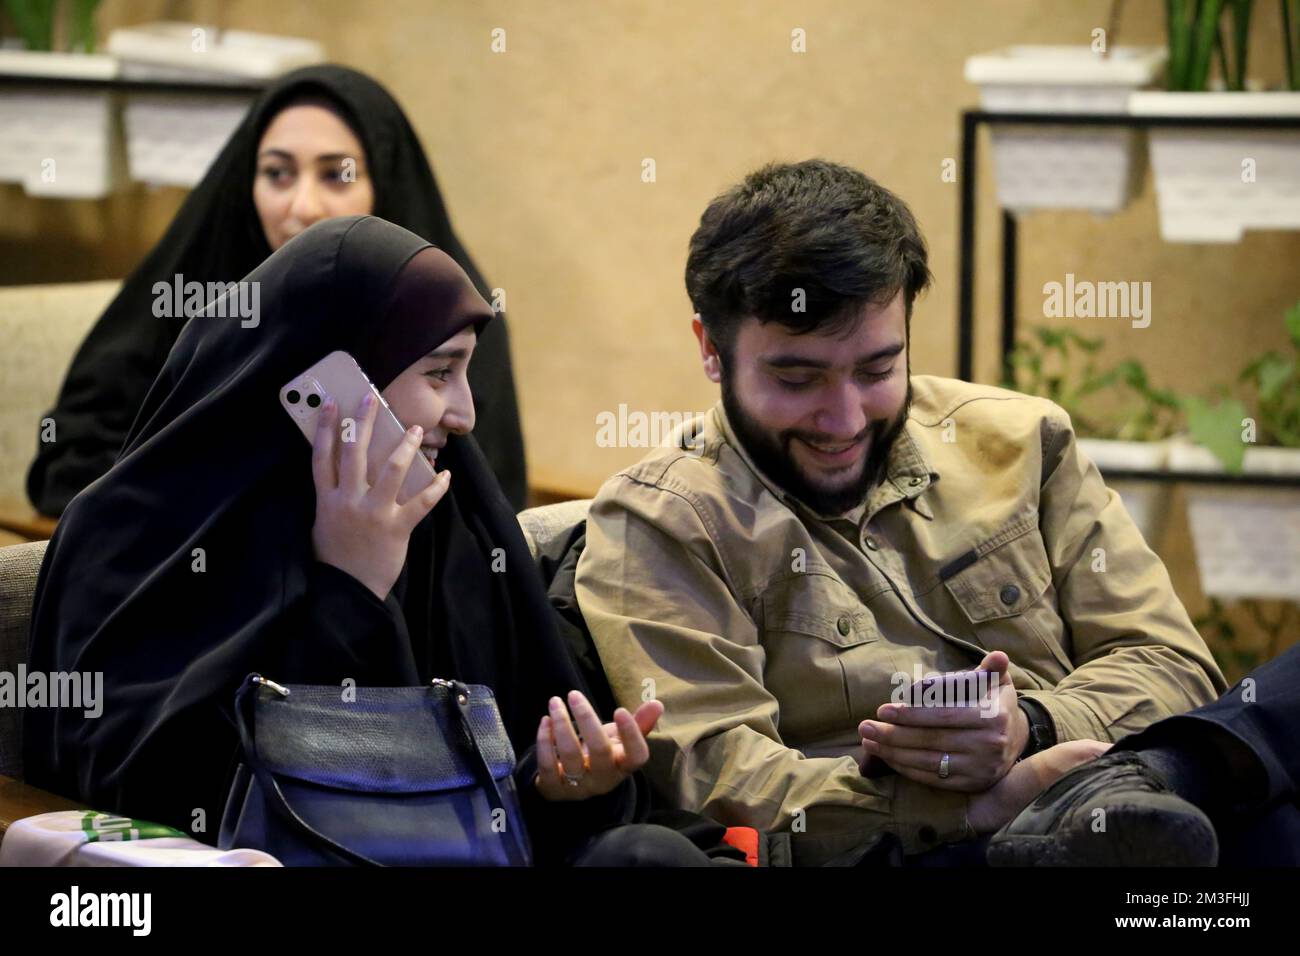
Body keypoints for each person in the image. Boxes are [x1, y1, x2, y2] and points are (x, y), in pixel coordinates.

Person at [572, 159, 1228, 866]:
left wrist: (1032, 728)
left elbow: (1177, 665)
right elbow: (718, 777)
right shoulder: (665, 525)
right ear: (711, 349)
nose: (844, 419)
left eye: (878, 370)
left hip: (1108, 794)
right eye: (797, 378)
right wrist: (975, 804)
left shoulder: (1023, 440)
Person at [21, 215, 718, 866]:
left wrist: (567, 786)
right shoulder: (139, 535)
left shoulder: (455, 525)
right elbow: (159, 804)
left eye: (467, 370)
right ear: (329, 378)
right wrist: (347, 591)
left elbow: (495, 806)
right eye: (439, 372)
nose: (467, 413)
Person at [26, 65, 527, 516]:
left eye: (336, 175)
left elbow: (480, 505)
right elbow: (73, 458)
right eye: (277, 174)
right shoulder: (199, 291)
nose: (302, 206)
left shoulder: (450, 324)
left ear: (386, 188)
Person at [990, 642, 1300, 866]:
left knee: (1266, 818)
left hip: (1120, 788)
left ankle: (1157, 770)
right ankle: (1162, 769)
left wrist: (1037, 724)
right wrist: (970, 808)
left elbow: (1175, 666)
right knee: (1266, 816)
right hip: (981, 833)